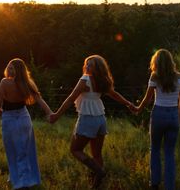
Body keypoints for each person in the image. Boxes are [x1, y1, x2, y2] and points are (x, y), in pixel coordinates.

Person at [49, 54, 135, 189]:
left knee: (75, 149)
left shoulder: (85, 79)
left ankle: (99, 171)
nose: (87, 66)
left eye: (90, 64)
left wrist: (56, 115)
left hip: (88, 118)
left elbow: (71, 98)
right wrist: (128, 103)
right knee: (97, 154)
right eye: (86, 63)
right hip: (100, 119)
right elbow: (114, 94)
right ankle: (96, 185)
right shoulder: (103, 81)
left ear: (97, 68)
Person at [0, 58, 52, 190]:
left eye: (11, 68)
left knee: (13, 149)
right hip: (24, 116)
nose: (9, 69)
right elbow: (39, 99)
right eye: (8, 66)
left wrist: (1, 113)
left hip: (9, 117)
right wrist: (49, 113)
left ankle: (22, 182)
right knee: (26, 149)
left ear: (18, 71)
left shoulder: (4, 82)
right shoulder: (27, 83)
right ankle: (24, 178)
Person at [134, 49, 180, 190]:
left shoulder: (154, 77)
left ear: (156, 62)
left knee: (155, 149)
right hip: (173, 115)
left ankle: (155, 183)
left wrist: (137, 109)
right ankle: (170, 186)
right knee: (169, 152)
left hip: (159, 114)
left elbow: (147, 99)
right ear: (170, 61)